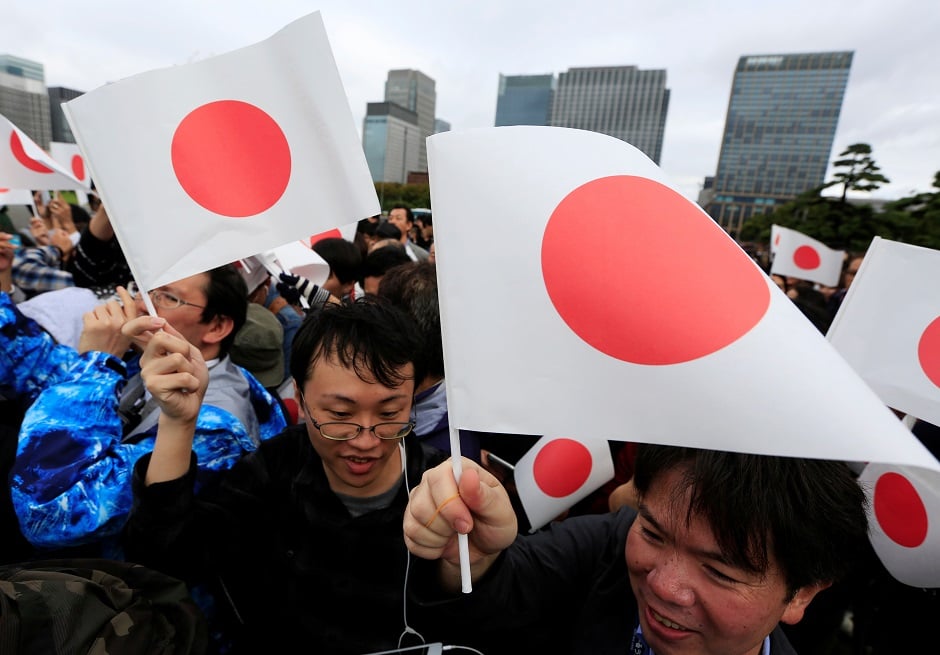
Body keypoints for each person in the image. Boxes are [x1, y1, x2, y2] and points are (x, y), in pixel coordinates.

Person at [123, 298, 449, 654]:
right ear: (300, 398)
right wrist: (178, 421)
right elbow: (165, 557)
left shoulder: (444, 489)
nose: (366, 440)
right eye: (340, 414)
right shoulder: (275, 468)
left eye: (390, 413)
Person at [403, 444, 869, 655]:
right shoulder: (605, 550)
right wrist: (472, 555)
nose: (663, 586)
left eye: (720, 572)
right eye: (653, 533)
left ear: (802, 593)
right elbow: (501, 590)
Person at [10, 265, 286, 554]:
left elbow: (51, 514)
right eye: (148, 291)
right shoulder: (156, 362)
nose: (142, 305)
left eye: (167, 298)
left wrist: (97, 364)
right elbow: (32, 372)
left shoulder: (216, 431)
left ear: (217, 327)